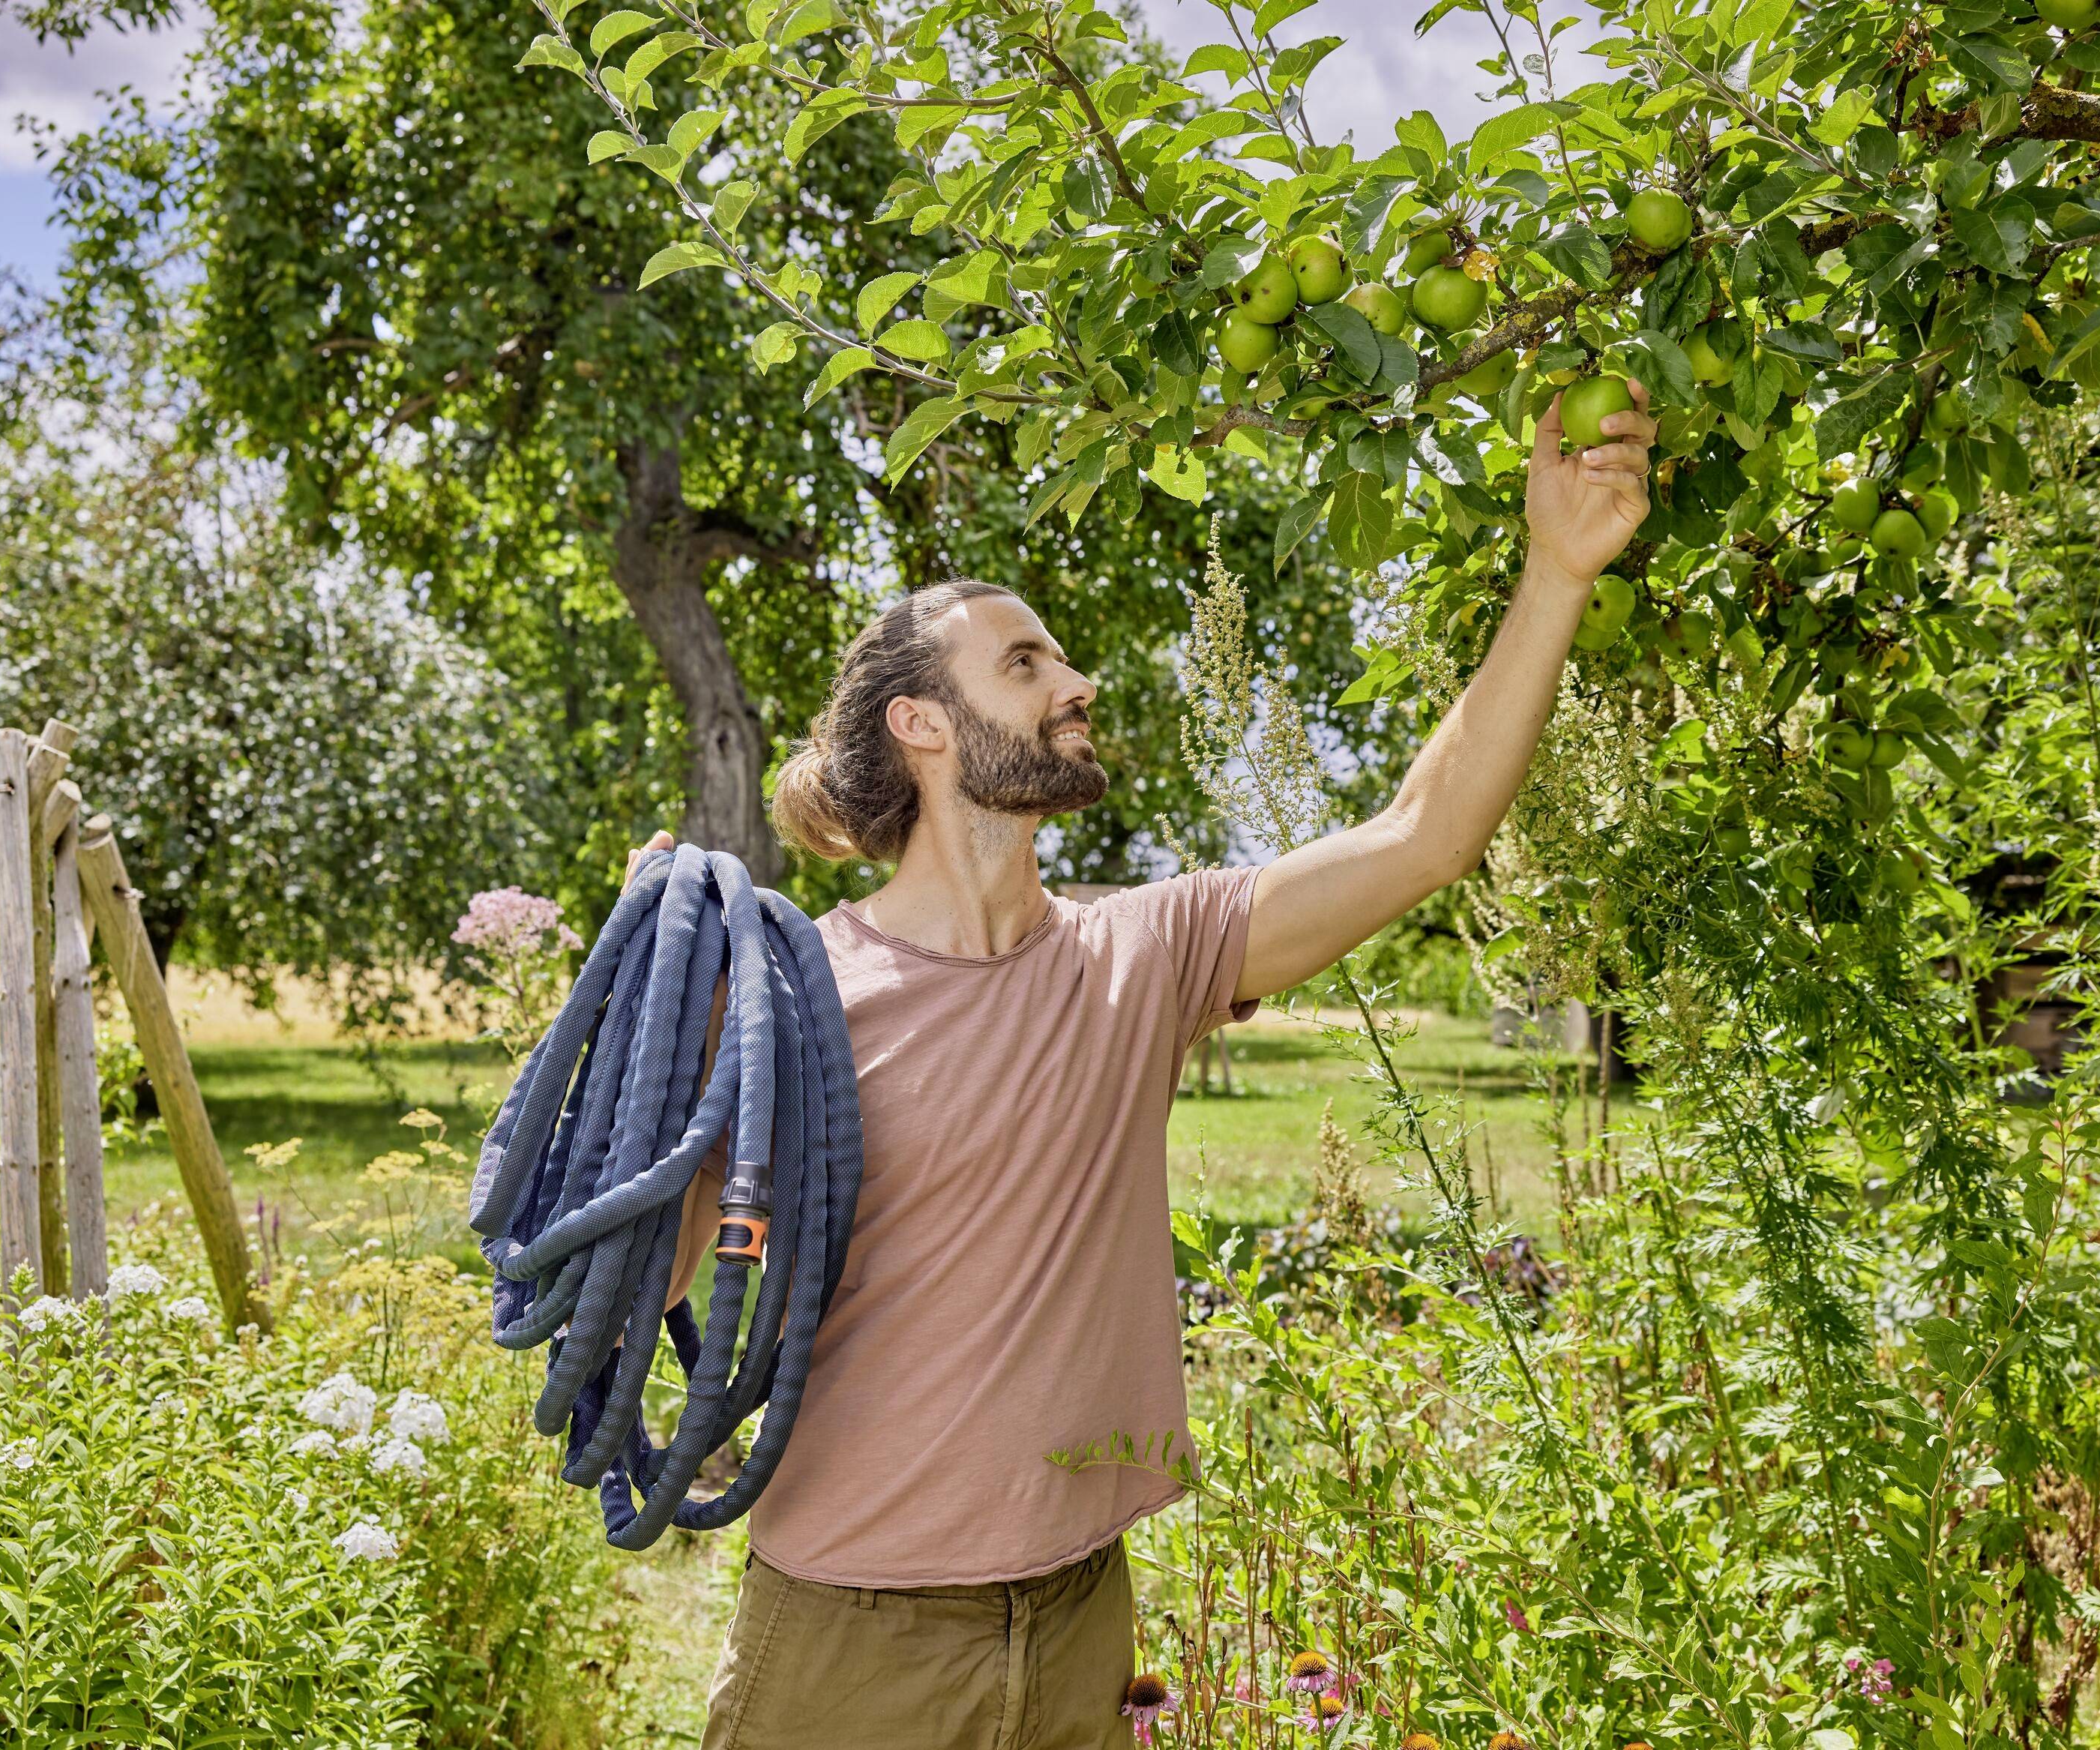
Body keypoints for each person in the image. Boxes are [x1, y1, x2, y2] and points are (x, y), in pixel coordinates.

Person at [652, 385, 1656, 1749]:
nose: (1077, 685)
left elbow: (1426, 835)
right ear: (923, 727)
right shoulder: (792, 993)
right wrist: (659, 1061)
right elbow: (645, 1277)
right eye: (1024, 665)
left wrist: (1554, 570)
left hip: (1075, 1617)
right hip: (851, 1630)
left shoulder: (1148, 953)